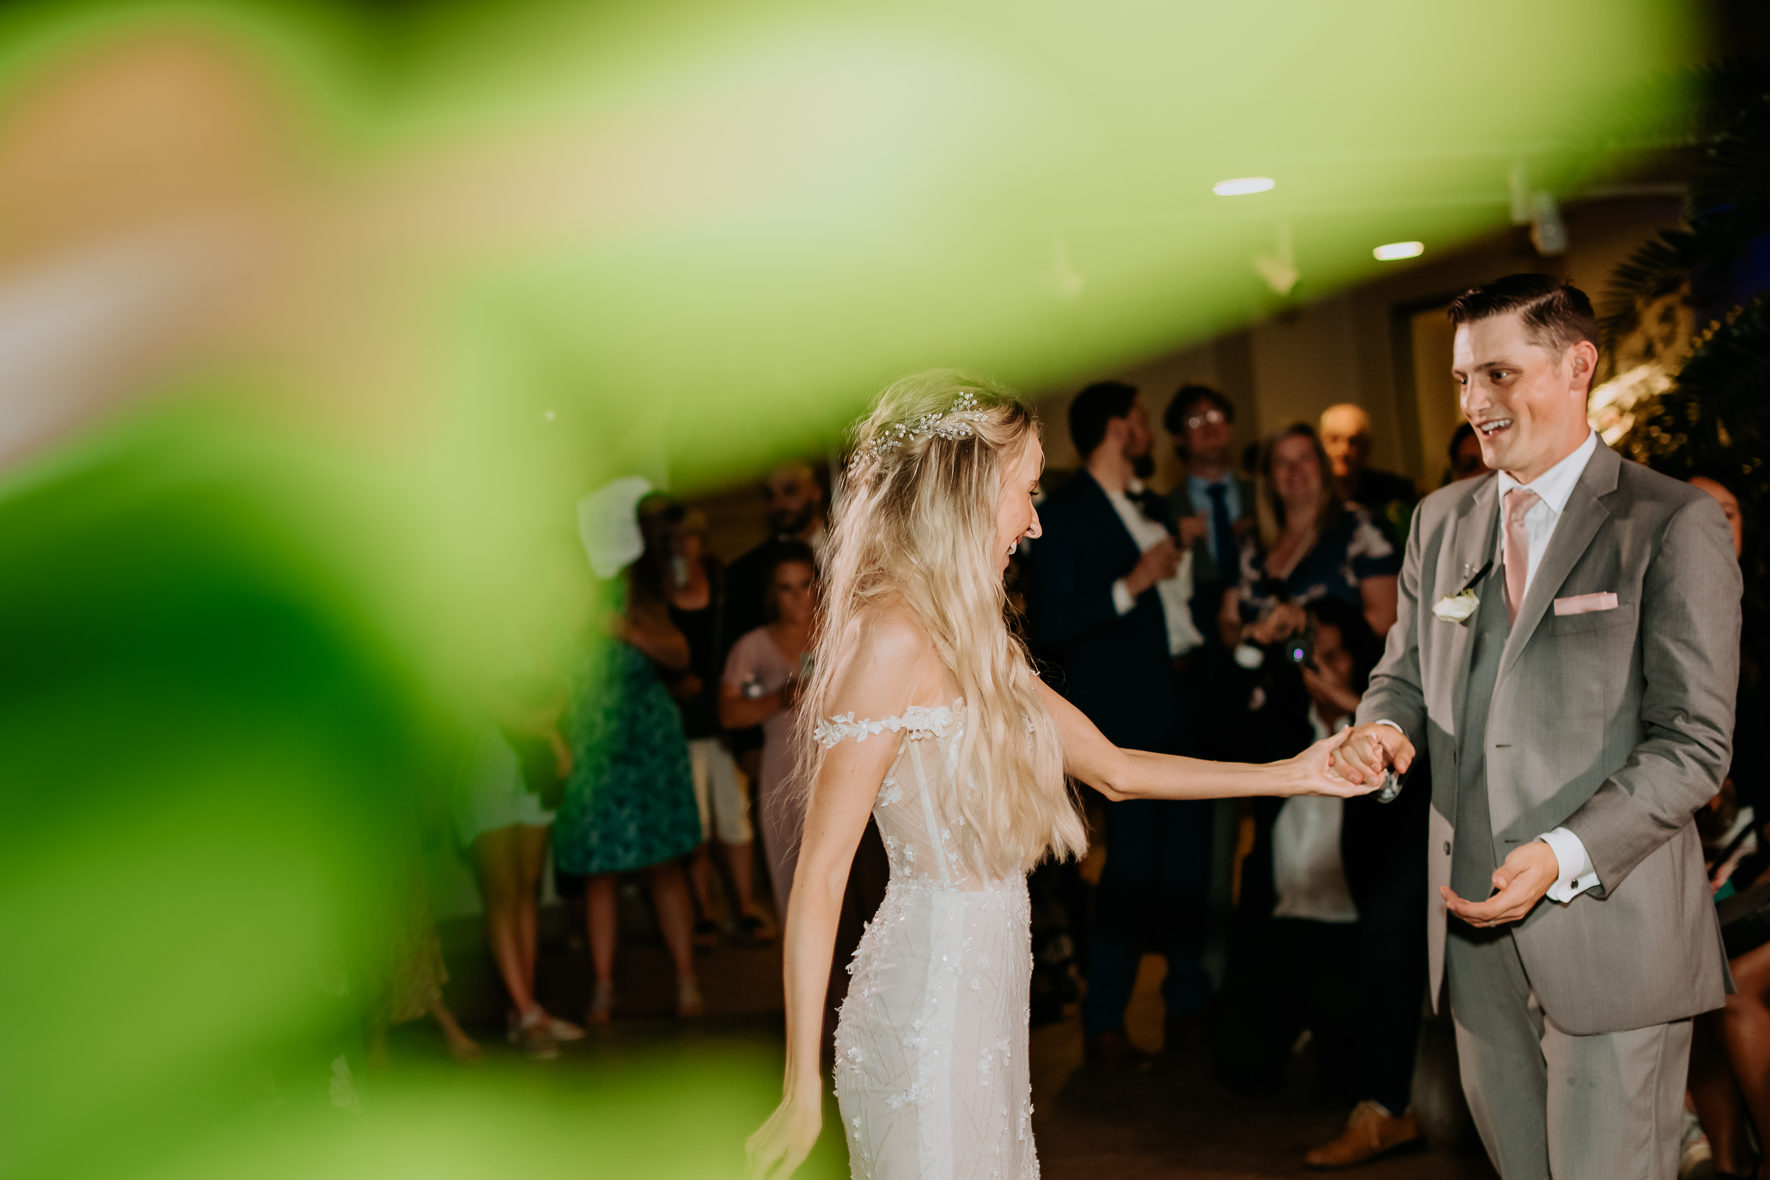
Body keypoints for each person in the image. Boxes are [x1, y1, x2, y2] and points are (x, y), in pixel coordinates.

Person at [744, 370, 1374, 1180]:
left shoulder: (974, 640)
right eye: (1026, 491)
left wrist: (1294, 773)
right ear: (969, 488)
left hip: (989, 1007)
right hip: (925, 1013)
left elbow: (1115, 768)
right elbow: (821, 874)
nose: (1036, 522)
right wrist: (800, 1087)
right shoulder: (891, 637)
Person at [1334, 275, 1742, 1180]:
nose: (1476, 403)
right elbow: (1400, 674)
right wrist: (1383, 729)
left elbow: (1694, 744)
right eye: (1462, 381)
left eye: (1499, 375)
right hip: (1473, 939)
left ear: (1577, 365)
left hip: (1615, 931)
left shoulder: (1670, 522)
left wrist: (1562, 853)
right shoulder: (1439, 523)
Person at [1025, 380, 1213, 1064]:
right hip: (1122, 715)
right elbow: (1052, 622)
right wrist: (1132, 583)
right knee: (1132, 867)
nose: (1148, 430)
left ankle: (1188, 1004)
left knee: (1188, 863)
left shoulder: (1155, 502)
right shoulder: (1063, 513)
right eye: (1138, 418)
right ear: (1115, 427)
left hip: (1185, 697)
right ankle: (1104, 1020)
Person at [1211, 595, 1430, 1167]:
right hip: (1279, 932)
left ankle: (1377, 1085)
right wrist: (1257, 644)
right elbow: (1215, 726)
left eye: (1335, 658)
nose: (1320, 668)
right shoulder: (1286, 726)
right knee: (1240, 1069)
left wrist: (1358, 713)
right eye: (1312, 656)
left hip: (1352, 940)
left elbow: (1418, 808)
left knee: (1342, 1078)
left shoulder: (1397, 752)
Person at [553, 495, 707, 1023]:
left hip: (646, 742)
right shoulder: (551, 613)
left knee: (664, 868)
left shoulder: (629, 592)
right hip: (592, 745)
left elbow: (681, 653)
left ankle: (686, 980)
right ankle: (602, 987)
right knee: (598, 873)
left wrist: (626, 632)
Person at [656, 500, 771, 944]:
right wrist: (672, 680)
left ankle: (743, 905)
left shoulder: (722, 582)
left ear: (701, 540)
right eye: (671, 540)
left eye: (687, 537)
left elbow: (742, 639)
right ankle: (704, 909)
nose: (680, 547)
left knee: (734, 816)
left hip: (722, 715)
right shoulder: (656, 592)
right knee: (695, 822)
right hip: (678, 720)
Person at [1221, 423, 1400, 650]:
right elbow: (1228, 622)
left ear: (1323, 468)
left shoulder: (1362, 529)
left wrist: (1312, 627)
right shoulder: (1249, 543)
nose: (1295, 469)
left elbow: (1385, 621)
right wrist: (1251, 633)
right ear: (1268, 477)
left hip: (1339, 680)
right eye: (1282, 462)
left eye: (1305, 458)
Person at [721, 541, 819, 923]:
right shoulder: (753, 648)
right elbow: (730, 713)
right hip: (784, 772)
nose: (798, 597)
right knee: (793, 883)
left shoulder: (843, 633)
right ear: (771, 594)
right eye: (785, 587)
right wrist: (779, 698)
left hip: (842, 767)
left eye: (805, 584)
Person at [1165, 383, 1255, 638]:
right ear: (1178, 437)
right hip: (1198, 635)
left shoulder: (1263, 495)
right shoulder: (1165, 508)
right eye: (1195, 419)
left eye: (1216, 415)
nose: (1209, 425)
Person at [1319, 403, 1418, 544]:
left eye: (1352, 442)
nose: (1343, 450)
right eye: (1334, 440)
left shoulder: (1394, 491)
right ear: (1321, 444)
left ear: (1366, 448)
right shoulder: (1309, 492)